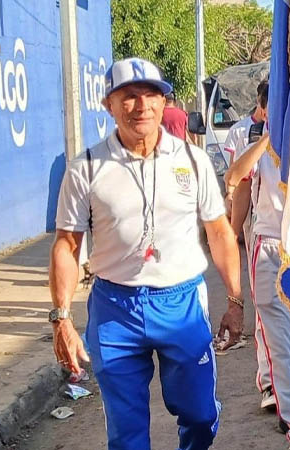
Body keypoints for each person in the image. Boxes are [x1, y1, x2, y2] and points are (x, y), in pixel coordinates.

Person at [50, 57, 244, 450]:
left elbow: (220, 232)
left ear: (164, 101)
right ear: (108, 104)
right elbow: (67, 245)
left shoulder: (192, 159)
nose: (142, 106)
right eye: (130, 97)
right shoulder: (85, 167)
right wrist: (62, 319)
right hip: (115, 309)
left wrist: (235, 300)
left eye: (152, 95)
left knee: (200, 414)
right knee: (126, 433)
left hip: (181, 302)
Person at [226, 123, 290, 450]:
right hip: (269, 246)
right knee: (280, 339)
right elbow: (234, 179)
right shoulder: (260, 150)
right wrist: (267, 140)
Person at [225, 80, 275, 411]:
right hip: (262, 231)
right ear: (262, 105)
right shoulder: (247, 133)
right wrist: (234, 231)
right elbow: (238, 183)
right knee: (267, 310)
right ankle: (271, 381)